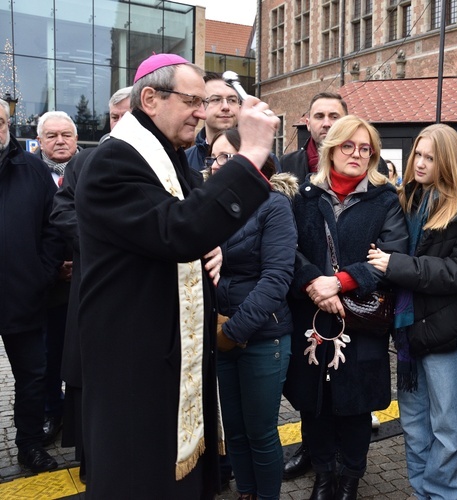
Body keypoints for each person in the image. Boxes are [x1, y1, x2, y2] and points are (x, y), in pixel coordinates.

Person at [75, 53, 277, 498]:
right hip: (135, 361)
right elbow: (177, 230)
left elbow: (179, 224)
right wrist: (253, 153)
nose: (203, 113)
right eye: (193, 101)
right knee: (141, 476)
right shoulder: (114, 162)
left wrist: (211, 243)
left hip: (165, 353)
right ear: (150, 98)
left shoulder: (166, 155)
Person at [284, 115, 407, 500]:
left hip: (361, 320)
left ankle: (350, 477)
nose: (356, 154)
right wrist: (313, 283)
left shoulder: (385, 200)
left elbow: (391, 256)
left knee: (355, 408)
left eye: (365, 148)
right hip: (310, 318)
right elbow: (287, 250)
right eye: (348, 146)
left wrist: (339, 282)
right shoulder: (304, 197)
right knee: (313, 404)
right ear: (331, 149)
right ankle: (323, 476)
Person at [368, 123, 457, 500]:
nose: (419, 163)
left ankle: (443, 495)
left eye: (429, 157)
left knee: (447, 430)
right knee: (415, 425)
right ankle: (423, 493)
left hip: (447, 335)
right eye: (417, 155)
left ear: (449, 160)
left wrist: (395, 265)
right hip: (407, 334)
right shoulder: (404, 200)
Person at [205, 128, 297, 500]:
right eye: (215, 158)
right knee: (237, 431)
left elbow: (276, 279)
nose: (217, 165)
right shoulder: (210, 207)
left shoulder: (274, 206)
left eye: (227, 157)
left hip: (262, 337)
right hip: (222, 333)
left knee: (260, 432)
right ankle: (246, 492)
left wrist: (233, 331)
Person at [50, 86, 132, 483]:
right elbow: (62, 209)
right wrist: (99, 242)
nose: (120, 123)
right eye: (114, 117)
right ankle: (92, 461)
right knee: (89, 379)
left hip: (137, 300)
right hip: (93, 289)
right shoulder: (85, 161)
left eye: (127, 115)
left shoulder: (161, 161)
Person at [0, 98, 65, 473]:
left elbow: (53, 228)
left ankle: (28, 445)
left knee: (31, 378)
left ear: (8, 124)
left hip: (23, 296)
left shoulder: (32, 171)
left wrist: (40, 274)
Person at [35, 110, 80, 446]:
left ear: (76, 139)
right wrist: (52, 268)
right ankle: (54, 411)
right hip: (47, 287)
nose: (60, 141)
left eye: (66, 134)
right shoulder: (29, 173)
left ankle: (80, 414)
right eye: (52, 136)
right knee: (49, 356)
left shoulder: (93, 168)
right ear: (40, 142)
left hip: (87, 280)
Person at [185, 72, 241, 170]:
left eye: (232, 100)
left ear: (240, 107)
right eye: (216, 99)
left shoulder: (263, 159)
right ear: (200, 105)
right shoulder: (184, 161)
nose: (225, 107)